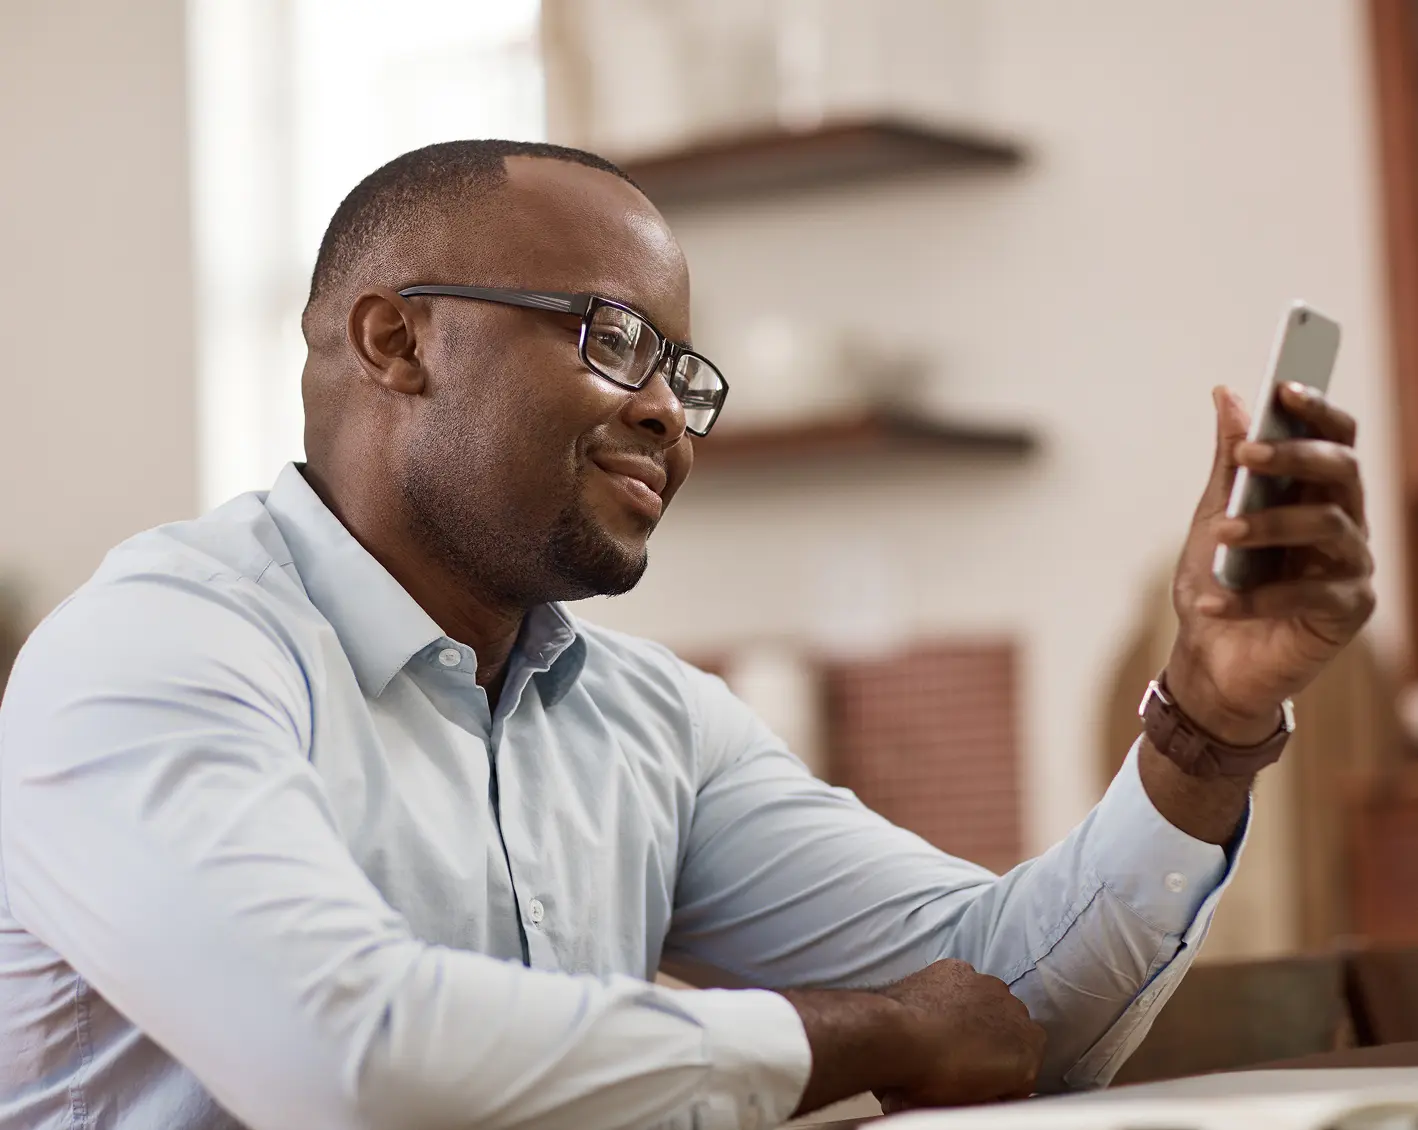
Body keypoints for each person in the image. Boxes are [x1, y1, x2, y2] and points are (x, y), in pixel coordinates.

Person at [0, 140, 1374, 1130]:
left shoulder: (645, 718)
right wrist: (858, 1032)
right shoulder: (156, 654)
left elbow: (1004, 1003)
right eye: (610, 337)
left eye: (683, 372)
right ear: (394, 341)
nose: (666, 410)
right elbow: (347, 1058)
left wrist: (1209, 714)